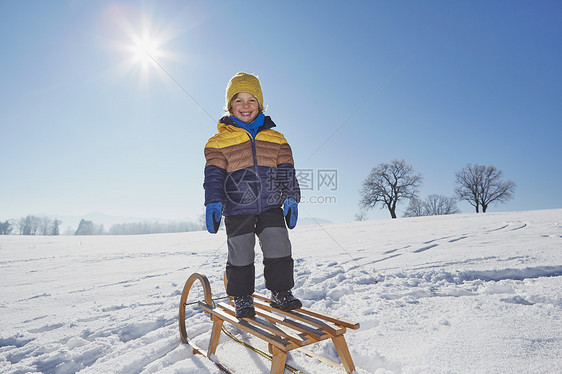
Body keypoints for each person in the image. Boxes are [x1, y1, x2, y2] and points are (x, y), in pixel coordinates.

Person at [203, 72, 302, 318]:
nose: (245, 106)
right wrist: (213, 202)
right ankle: (243, 298)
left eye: (251, 100)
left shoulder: (277, 139)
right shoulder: (218, 142)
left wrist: (291, 197)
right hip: (237, 207)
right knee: (240, 252)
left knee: (279, 246)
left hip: (271, 205)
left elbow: (286, 171)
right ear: (229, 106)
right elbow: (214, 176)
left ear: (260, 104)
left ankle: (280, 293)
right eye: (239, 101)